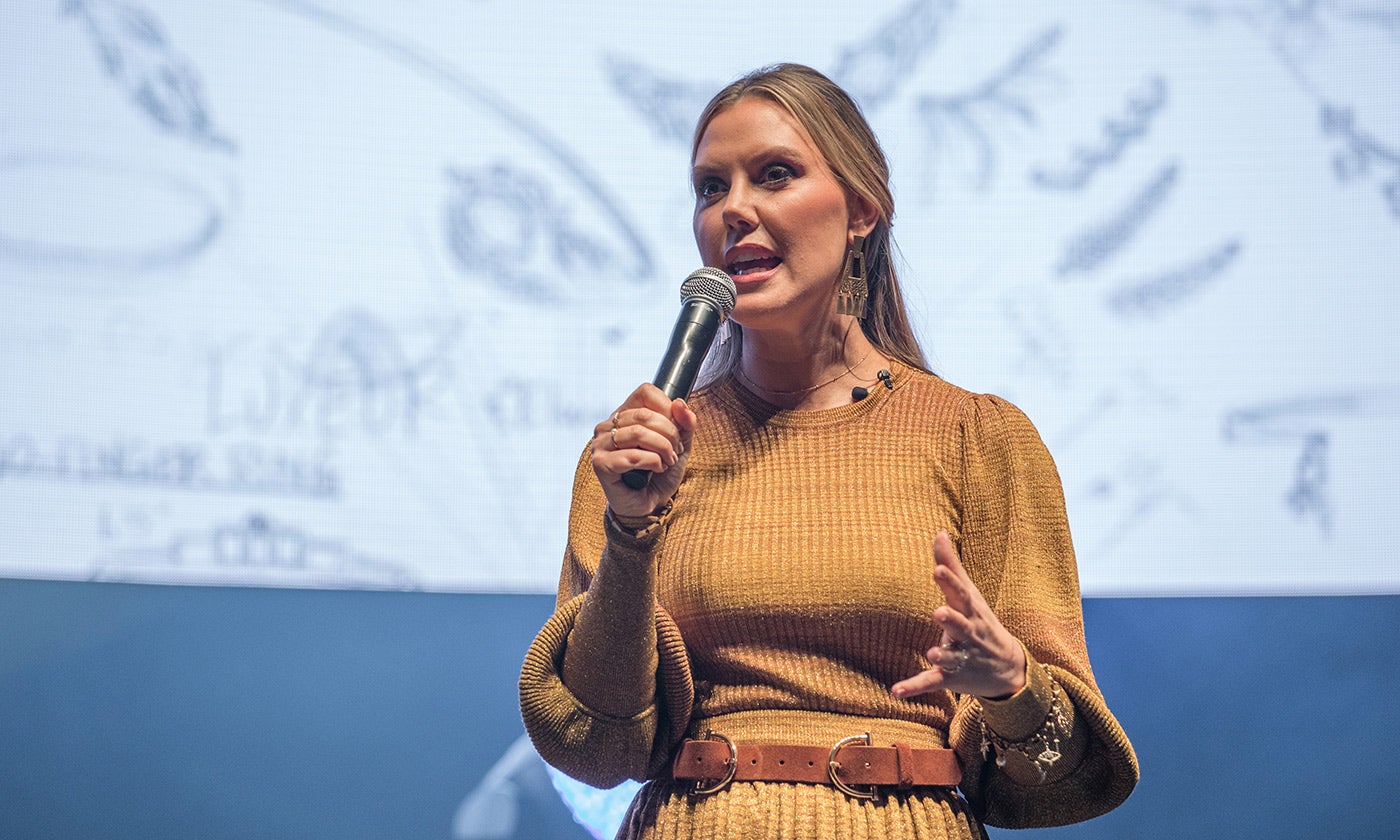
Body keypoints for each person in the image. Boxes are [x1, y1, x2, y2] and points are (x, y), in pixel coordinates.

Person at [519, 63, 1138, 839]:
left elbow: (1064, 775)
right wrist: (630, 531)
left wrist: (1012, 686)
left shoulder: (979, 439)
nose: (734, 210)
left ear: (861, 212)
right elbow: (599, 745)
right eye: (711, 188)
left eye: (774, 175)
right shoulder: (633, 458)